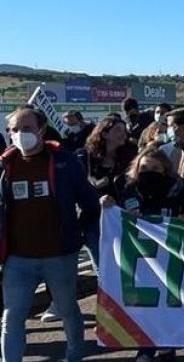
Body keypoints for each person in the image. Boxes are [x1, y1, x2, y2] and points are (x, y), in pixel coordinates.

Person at [1, 107, 99, 362]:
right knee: (11, 316)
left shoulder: (65, 162)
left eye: (26, 129)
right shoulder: (4, 167)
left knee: (67, 310)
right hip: (17, 259)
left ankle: (74, 355)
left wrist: (77, 234)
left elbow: (89, 202)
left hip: (60, 256)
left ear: (41, 130)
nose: (19, 134)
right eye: (14, 130)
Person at [101, 147, 184, 362]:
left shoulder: (179, 187)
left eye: (155, 168)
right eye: (144, 167)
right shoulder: (123, 186)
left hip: (170, 255)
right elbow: (109, 211)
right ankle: (145, 348)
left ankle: (167, 347)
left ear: (165, 169)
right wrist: (107, 203)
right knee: (142, 305)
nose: (149, 171)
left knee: (167, 304)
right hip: (137, 255)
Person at [79, 114, 138, 201]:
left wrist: (107, 180)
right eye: (118, 130)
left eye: (124, 130)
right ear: (104, 134)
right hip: (92, 207)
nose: (123, 134)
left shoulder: (130, 157)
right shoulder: (86, 156)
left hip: (117, 208)